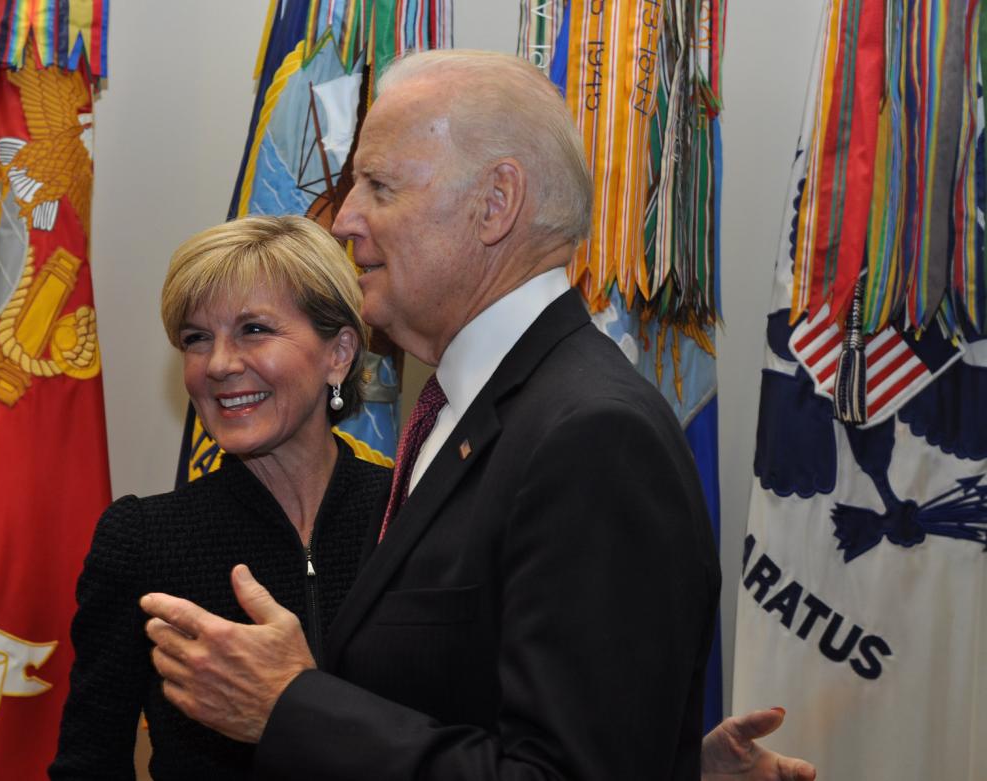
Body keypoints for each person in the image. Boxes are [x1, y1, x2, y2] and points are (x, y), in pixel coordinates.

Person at [140, 50, 816, 780]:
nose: (343, 218)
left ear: (496, 205)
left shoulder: (592, 437)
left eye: (379, 185)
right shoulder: (467, 413)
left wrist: (291, 705)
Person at [49, 215, 392, 778]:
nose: (220, 365)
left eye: (254, 329)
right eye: (196, 339)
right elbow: (89, 763)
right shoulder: (142, 540)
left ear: (340, 352)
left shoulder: (413, 516)